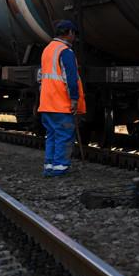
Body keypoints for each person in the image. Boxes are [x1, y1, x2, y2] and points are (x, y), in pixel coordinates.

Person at [38, 20, 86, 177]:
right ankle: (60, 168)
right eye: (74, 34)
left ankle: (49, 166)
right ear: (70, 33)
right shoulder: (65, 52)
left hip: (47, 104)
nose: (74, 37)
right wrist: (74, 99)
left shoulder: (47, 50)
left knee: (52, 135)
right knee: (64, 136)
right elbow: (71, 78)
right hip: (61, 104)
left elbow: (40, 76)